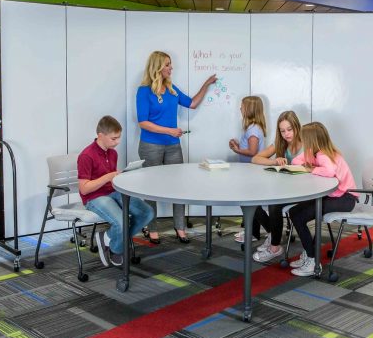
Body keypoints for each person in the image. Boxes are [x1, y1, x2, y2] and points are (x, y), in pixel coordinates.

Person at [136, 50, 216, 244]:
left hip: (173, 146)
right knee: (151, 189)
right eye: (167, 64)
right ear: (157, 67)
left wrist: (205, 85)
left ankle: (179, 227)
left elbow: (192, 103)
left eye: (170, 64)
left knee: (178, 188)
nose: (171, 67)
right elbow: (143, 122)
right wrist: (169, 131)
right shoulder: (144, 91)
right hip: (150, 146)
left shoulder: (172, 90)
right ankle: (152, 228)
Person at [78, 115, 154, 267]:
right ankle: (115, 249)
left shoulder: (113, 153)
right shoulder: (86, 156)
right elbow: (84, 189)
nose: (117, 142)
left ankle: (108, 238)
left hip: (112, 191)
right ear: (101, 136)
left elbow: (112, 179)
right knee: (122, 221)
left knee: (147, 213)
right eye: (114, 139)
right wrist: (108, 177)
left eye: (118, 138)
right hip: (94, 197)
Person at [287, 122, 358, 277]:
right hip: (333, 195)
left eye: (305, 139)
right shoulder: (315, 152)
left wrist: (311, 168)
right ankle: (310, 253)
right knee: (294, 212)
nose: (303, 142)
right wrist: (309, 163)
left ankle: (313, 260)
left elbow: (330, 171)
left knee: (299, 216)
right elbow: (295, 161)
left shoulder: (325, 154)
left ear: (312, 140)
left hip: (345, 198)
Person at [249, 110, 303, 262]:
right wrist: (274, 161)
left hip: (303, 191)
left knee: (274, 205)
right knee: (250, 200)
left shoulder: (307, 143)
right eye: (282, 131)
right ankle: (274, 233)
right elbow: (255, 158)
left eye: (289, 129)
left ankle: (274, 247)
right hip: (284, 188)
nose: (286, 134)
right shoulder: (281, 143)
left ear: (297, 127)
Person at [229, 96, 267, 243]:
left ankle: (271, 231)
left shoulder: (253, 129)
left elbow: (252, 152)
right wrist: (239, 146)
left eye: (242, 106)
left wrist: (237, 150)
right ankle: (253, 233)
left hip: (252, 171)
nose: (240, 108)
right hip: (250, 171)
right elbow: (250, 148)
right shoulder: (253, 128)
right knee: (251, 204)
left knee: (251, 206)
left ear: (249, 109)